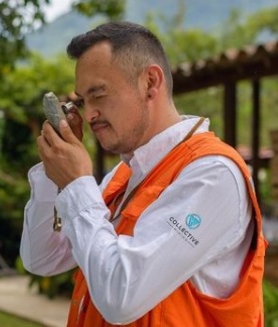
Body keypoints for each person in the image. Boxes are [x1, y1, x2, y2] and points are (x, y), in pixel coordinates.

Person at [20, 21, 266, 326]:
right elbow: (42, 258)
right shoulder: (122, 177)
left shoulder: (214, 175)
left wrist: (76, 183)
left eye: (99, 95)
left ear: (150, 82)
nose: (89, 113)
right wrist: (52, 171)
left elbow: (121, 298)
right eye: (83, 101)